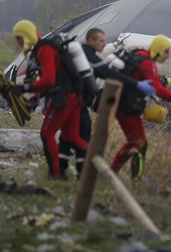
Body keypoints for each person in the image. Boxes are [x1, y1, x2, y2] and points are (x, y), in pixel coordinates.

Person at [57, 27, 156, 179]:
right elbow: (107, 72)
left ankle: (61, 169)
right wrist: (136, 84)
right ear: (91, 40)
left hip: (71, 98)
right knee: (84, 133)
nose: (104, 43)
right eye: (101, 41)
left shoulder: (84, 53)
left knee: (69, 134)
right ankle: (82, 173)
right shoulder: (86, 54)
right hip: (76, 100)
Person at [11, 19, 88, 180]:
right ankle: (95, 164)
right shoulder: (44, 48)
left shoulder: (44, 50)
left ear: (27, 35)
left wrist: (24, 89)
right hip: (74, 97)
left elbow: (48, 80)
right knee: (73, 136)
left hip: (64, 98)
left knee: (47, 133)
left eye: (19, 38)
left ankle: (55, 174)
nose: (18, 42)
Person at [110, 34, 171, 179]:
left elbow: (152, 81)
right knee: (140, 143)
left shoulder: (140, 56)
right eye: (166, 51)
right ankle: (134, 178)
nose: (167, 56)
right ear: (158, 49)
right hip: (127, 107)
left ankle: (112, 172)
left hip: (123, 105)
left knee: (135, 142)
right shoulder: (147, 63)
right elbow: (156, 87)